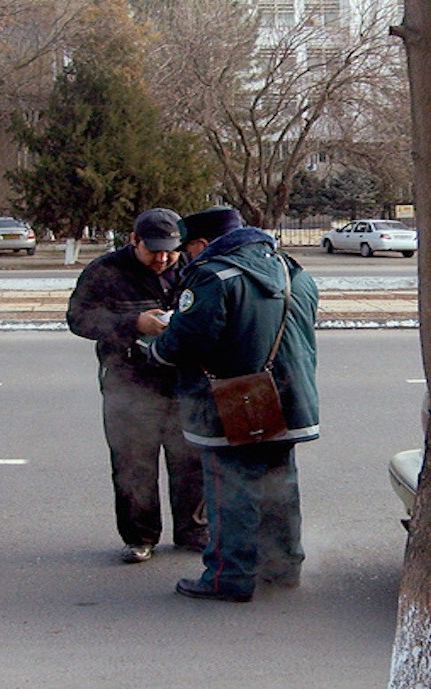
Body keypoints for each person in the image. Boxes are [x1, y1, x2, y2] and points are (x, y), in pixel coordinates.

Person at [148, 207, 320, 602]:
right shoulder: (293, 270)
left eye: (186, 248)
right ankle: (283, 568)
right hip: (291, 400)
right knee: (280, 486)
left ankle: (229, 577)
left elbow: (188, 340)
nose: (185, 258)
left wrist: (157, 348)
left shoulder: (212, 275)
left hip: (234, 402)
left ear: (202, 244)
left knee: (231, 490)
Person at [66, 209, 207, 563]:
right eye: (153, 251)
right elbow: (78, 318)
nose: (162, 259)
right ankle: (140, 537)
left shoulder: (192, 270)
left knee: (190, 461)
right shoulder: (105, 271)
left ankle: (193, 531)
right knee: (133, 465)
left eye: (170, 251)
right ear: (134, 241)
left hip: (182, 383)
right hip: (128, 384)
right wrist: (134, 323)